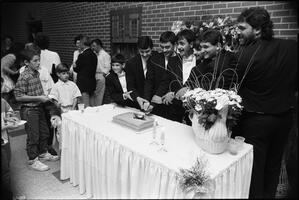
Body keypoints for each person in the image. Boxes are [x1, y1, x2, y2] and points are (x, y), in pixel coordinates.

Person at [231, 7, 298, 198]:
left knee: (255, 170)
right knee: (274, 166)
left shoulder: (243, 56)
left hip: (256, 122)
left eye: (243, 28)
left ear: (258, 29)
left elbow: (234, 90)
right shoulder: (292, 47)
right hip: (285, 119)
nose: (238, 32)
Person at [14, 48, 59, 172]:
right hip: (29, 110)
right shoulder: (24, 77)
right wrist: (39, 97)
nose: (38, 63)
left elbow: (36, 90)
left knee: (44, 132)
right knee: (33, 136)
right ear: (26, 62)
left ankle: (42, 153)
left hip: (39, 107)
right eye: (35, 61)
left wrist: (44, 97)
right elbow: (18, 96)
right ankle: (33, 159)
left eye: (39, 60)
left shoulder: (37, 73)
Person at [158, 29, 198, 123]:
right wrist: (170, 93)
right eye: (177, 44)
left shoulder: (200, 61)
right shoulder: (173, 61)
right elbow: (166, 82)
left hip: (195, 110)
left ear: (191, 44)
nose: (179, 47)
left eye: (182, 44)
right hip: (175, 110)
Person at [144, 31, 177, 118]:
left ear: (175, 45)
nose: (164, 50)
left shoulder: (180, 60)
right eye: (162, 47)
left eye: (167, 47)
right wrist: (147, 101)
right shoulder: (154, 59)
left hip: (173, 105)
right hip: (156, 104)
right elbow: (149, 81)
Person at [125, 36, 156, 111]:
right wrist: (137, 98)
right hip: (138, 102)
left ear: (152, 48)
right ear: (138, 49)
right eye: (142, 52)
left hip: (155, 102)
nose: (145, 54)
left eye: (147, 51)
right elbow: (130, 85)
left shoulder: (158, 59)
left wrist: (153, 102)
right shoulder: (131, 63)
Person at [1, 76, 19, 200]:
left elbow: (10, 111)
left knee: (7, 166)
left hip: (5, 139)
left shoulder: (2, 101)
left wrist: (9, 117)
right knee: (5, 172)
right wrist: (5, 125)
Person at [73, 35, 97, 107]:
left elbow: (76, 69)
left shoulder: (82, 55)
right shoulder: (94, 54)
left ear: (83, 44)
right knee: (92, 105)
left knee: (84, 105)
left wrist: (74, 65)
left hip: (83, 83)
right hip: (92, 82)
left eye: (80, 43)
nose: (79, 45)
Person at [1, 42, 25, 106]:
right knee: (7, 90)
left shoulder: (12, 56)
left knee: (7, 91)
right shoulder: (12, 57)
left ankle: (5, 106)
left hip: (3, 74)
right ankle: (5, 106)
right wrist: (13, 73)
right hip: (2, 74)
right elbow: (4, 67)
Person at [91, 38, 111, 106]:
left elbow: (108, 67)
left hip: (100, 75)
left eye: (94, 46)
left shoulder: (105, 55)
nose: (93, 47)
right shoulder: (94, 54)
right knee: (94, 93)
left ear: (99, 45)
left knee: (99, 94)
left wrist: (103, 74)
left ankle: (97, 106)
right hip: (93, 75)